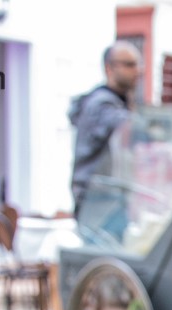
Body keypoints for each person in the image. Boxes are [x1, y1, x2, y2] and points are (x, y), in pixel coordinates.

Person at [69, 42, 141, 219]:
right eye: (129, 64)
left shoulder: (118, 102)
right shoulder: (102, 104)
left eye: (137, 65)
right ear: (109, 68)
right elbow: (133, 130)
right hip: (97, 200)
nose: (136, 71)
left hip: (108, 199)